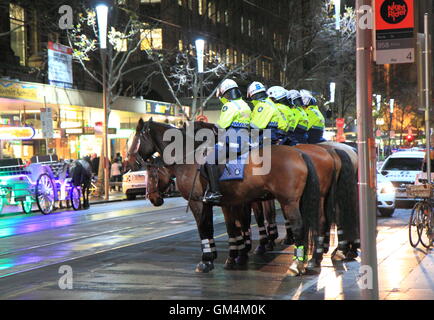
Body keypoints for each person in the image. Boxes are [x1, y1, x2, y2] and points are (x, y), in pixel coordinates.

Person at [203, 79, 251, 204]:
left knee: (210, 161)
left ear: (225, 93)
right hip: (247, 141)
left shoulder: (228, 106)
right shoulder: (245, 105)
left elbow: (222, 125)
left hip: (234, 142)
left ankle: (215, 192)